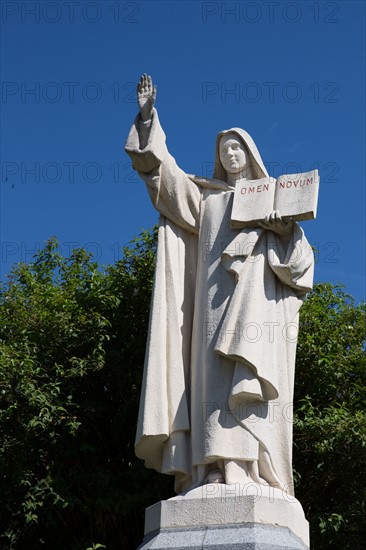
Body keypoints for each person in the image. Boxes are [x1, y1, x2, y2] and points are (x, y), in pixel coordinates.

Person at [125, 74, 314, 495]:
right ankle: (212, 465)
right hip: (210, 306)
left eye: (237, 148)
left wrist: (283, 231)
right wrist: (147, 119)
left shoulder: (270, 202)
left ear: (250, 155)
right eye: (224, 149)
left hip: (256, 305)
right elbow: (163, 178)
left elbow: (300, 268)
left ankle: (245, 466)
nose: (230, 154)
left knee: (245, 380)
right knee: (211, 383)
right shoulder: (207, 199)